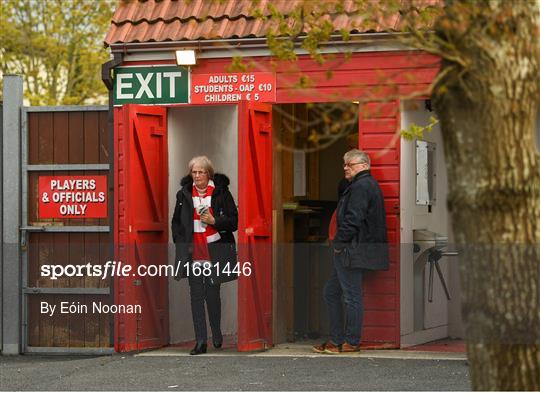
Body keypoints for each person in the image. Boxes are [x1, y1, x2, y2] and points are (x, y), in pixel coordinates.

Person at [313, 149, 389, 354]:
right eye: (345, 164)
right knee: (331, 292)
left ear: (364, 166)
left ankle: (350, 342)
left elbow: (353, 219)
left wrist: (339, 243)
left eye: (350, 164)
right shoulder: (361, 185)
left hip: (352, 250)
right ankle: (337, 339)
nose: (345, 167)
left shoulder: (361, 186)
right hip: (354, 249)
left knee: (352, 296)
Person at [171, 156, 238, 355]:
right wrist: (180, 242)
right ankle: (201, 341)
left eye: (201, 172)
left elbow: (234, 221)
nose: (197, 176)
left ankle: (216, 332)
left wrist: (214, 220)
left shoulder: (221, 193)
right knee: (196, 297)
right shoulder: (183, 194)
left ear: (209, 173)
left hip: (214, 253)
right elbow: (176, 223)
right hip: (193, 254)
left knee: (212, 295)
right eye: (194, 172)